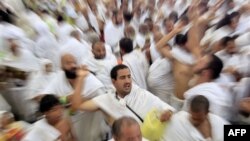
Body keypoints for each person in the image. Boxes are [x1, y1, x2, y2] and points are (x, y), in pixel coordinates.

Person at [72, 64, 175, 126]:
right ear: (113, 81)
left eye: (129, 77)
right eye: (122, 78)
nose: (127, 81)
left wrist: (168, 112)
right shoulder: (106, 99)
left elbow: (162, 105)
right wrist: (81, 78)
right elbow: (77, 106)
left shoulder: (141, 93)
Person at [183, 54, 233, 121]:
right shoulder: (195, 83)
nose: (196, 62)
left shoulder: (205, 96)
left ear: (207, 72)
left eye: (201, 62)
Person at [165, 95, 229, 141]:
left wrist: (207, 137)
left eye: (199, 119)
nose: (195, 121)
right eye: (193, 118)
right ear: (190, 110)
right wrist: (170, 111)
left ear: (207, 113)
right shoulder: (180, 117)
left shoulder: (220, 124)